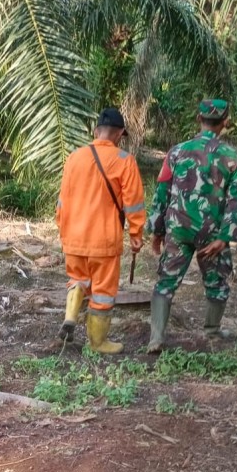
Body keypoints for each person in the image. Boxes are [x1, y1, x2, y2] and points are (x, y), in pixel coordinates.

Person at [147, 99, 237, 353]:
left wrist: (157, 231)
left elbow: (162, 192)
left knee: (165, 283)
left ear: (198, 120)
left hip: (177, 229)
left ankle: (156, 337)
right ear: (225, 122)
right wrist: (225, 237)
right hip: (211, 233)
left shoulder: (176, 152)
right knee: (218, 282)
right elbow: (236, 200)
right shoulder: (233, 157)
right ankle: (212, 330)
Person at [55, 108, 145, 354]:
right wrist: (136, 236)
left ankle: (71, 318)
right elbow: (133, 204)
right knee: (103, 293)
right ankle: (98, 343)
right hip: (104, 240)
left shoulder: (74, 157)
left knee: (78, 279)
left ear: (96, 132)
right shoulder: (124, 161)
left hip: (73, 236)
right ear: (119, 135)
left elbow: (62, 201)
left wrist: (64, 230)